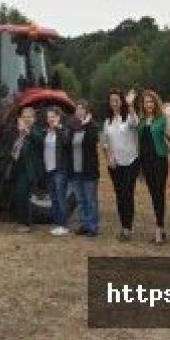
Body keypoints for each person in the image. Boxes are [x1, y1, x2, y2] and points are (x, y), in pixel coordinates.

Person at [101, 89, 139, 241]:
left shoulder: (128, 118)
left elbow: (136, 122)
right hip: (115, 165)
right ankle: (124, 225)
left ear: (122, 101)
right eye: (112, 100)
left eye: (117, 100)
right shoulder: (107, 122)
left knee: (127, 194)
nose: (114, 103)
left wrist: (131, 105)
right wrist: (108, 157)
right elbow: (105, 143)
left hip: (131, 161)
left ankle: (127, 228)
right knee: (120, 195)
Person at [136, 90, 170, 244]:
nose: (148, 104)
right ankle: (161, 228)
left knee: (159, 193)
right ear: (143, 105)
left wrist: (168, 116)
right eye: (146, 102)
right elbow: (140, 143)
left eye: (151, 101)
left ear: (155, 103)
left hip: (160, 161)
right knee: (153, 194)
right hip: (146, 162)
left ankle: (158, 227)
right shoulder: (141, 122)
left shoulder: (162, 119)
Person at [33, 106, 72, 236]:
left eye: (53, 117)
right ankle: (57, 224)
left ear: (58, 117)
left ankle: (64, 225)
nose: (50, 119)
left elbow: (67, 142)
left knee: (61, 198)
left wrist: (58, 128)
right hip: (48, 169)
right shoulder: (46, 132)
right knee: (54, 199)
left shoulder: (62, 131)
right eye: (49, 117)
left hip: (59, 169)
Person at [67, 100, 101, 237]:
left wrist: (87, 125)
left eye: (82, 109)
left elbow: (93, 140)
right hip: (75, 171)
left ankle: (93, 227)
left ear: (87, 112)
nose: (79, 112)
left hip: (88, 171)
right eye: (77, 109)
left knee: (90, 199)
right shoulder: (72, 127)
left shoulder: (92, 127)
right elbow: (66, 143)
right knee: (81, 200)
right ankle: (85, 225)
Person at [8, 106, 41, 232]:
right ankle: (21, 221)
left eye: (29, 117)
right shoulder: (20, 133)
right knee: (18, 194)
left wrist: (26, 130)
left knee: (23, 194)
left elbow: (39, 141)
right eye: (24, 117)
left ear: (34, 119)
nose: (26, 119)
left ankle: (26, 224)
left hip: (29, 170)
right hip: (18, 168)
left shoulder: (36, 131)